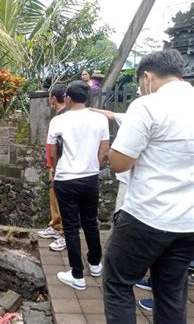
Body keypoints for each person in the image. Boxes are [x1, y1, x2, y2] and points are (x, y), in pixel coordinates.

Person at [103, 49, 194, 324]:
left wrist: (111, 153)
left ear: (147, 77)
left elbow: (119, 163)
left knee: (118, 283)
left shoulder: (147, 105)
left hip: (147, 217)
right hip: (188, 223)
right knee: (170, 293)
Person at [47, 80, 110, 290]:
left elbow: (52, 152)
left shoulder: (59, 121)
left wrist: (56, 170)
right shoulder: (100, 120)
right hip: (90, 178)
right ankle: (95, 264)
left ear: (68, 98)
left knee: (72, 227)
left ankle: (77, 275)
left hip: (66, 179)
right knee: (91, 222)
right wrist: (92, 166)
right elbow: (104, 152)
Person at [38, 84, 67, 251]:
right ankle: (55, 227)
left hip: (60, 166)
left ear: (53, 99)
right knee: (53, 196)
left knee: (60, 199)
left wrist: (53, 167)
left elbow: (55, 148)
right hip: (55, 165)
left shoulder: (62, 119)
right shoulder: (60, 117)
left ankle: (63, 233)